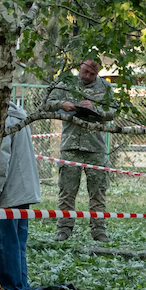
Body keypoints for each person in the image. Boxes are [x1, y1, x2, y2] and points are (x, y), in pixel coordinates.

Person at [42, 58, 117, 242]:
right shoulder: (66, 84)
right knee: (67, 190)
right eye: (85, 72)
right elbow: (46, 102)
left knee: (98, 191)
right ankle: (64, 229)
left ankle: (99, 230)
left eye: (92, 74)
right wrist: (62, 105)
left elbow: (113, 111)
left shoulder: (105, 88)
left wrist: (96, 109)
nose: (88, 76)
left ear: (98, 73)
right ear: (80, 67)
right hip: (71, 146)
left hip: (95, 147)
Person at [0, 101, 41, 290]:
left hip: (10, 192)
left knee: (5, 242)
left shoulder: (2, 119)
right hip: (23, 190)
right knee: (17, 242)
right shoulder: (17, 115)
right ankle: (20, 285)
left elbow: (0, 162)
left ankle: (12, 287)